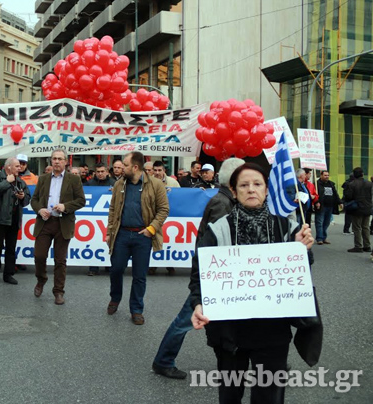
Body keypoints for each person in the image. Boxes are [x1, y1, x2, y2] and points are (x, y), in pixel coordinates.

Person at [190, 163, 314, 403]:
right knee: (229, 394)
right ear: (233, 191)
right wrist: (198, 303)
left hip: (273, 331)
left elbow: (300, 276)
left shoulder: (287, 228)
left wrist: (302, 250)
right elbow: (200, 274)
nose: (251, 189)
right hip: (229, 331)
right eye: (244, 185)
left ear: (266, 190)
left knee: (269, 396)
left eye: (257, 184)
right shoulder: (218, 229)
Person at [152, 157, 244, 379]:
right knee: (186, 319)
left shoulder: (226, 200)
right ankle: (163, 361)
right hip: (212, 275)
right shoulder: (223, 204)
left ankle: (240, 361)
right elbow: (218, 243)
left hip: (216, 273)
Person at [106, 151, 169, 325]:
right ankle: (115, 298)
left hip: (143, 235)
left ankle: (136, 309)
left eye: (125, 165)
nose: (121, 168)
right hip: (122, 234)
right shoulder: (119, 184)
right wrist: (109, 232)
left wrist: (151, 229)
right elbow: (113, 209)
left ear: (135, 167)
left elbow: (163, 210)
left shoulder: (155, 185)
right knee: (116, 269)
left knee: (139, 275)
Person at [30, 148, 85, 305]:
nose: (57, 161)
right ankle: (41, 280)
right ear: (51, 161)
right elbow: (34, 200)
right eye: (54, 158)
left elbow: (81, 200)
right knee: (39, 256)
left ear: (66, 162)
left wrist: (65, 206)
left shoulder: (73, 180)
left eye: (60, 159)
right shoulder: (43, 179)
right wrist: (39, 209)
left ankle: (58, 291)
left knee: (60, 260)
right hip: (45, 223)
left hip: (63, 224)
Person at [0, 157, 31, 285]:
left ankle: (8, 274)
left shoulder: (20, 181)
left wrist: (23, 197)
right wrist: (7, 182)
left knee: (11, 248)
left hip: (14, 219)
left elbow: (27, 198)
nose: (20, 168)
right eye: (17, 166)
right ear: (8, 167)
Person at [85, 163, 115, 276]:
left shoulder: (114, 183)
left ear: (107, 171)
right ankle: (93, 267)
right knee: (94, 242)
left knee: (110, 242)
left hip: (109, 218)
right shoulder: (89, 184)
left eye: (102, 171)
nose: (100, 174)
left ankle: (109, 265)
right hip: (94, 218)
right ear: (95, 173)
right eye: (98, 172)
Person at [343, 167, 372, 253]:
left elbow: (348, 196)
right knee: (366, 227)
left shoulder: (352, 184)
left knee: (357, 227)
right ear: (362, 174)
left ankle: (358, 246)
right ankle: (367, 246)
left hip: (357, 208)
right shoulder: (370, 184)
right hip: (367, 207)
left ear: (354, 175)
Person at [315, 170, 341, 245]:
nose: (327, 177)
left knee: (326, 223)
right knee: (319, 222)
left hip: (330, 206)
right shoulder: (317, 184)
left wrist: (340, 202)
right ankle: (319, 238)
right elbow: (315, 194)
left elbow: (335, 194)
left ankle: (324, 237)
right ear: (321, 175)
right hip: (321, 206)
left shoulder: (331, 184)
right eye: (325, 175)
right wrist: (316, 202)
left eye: (328, 175)